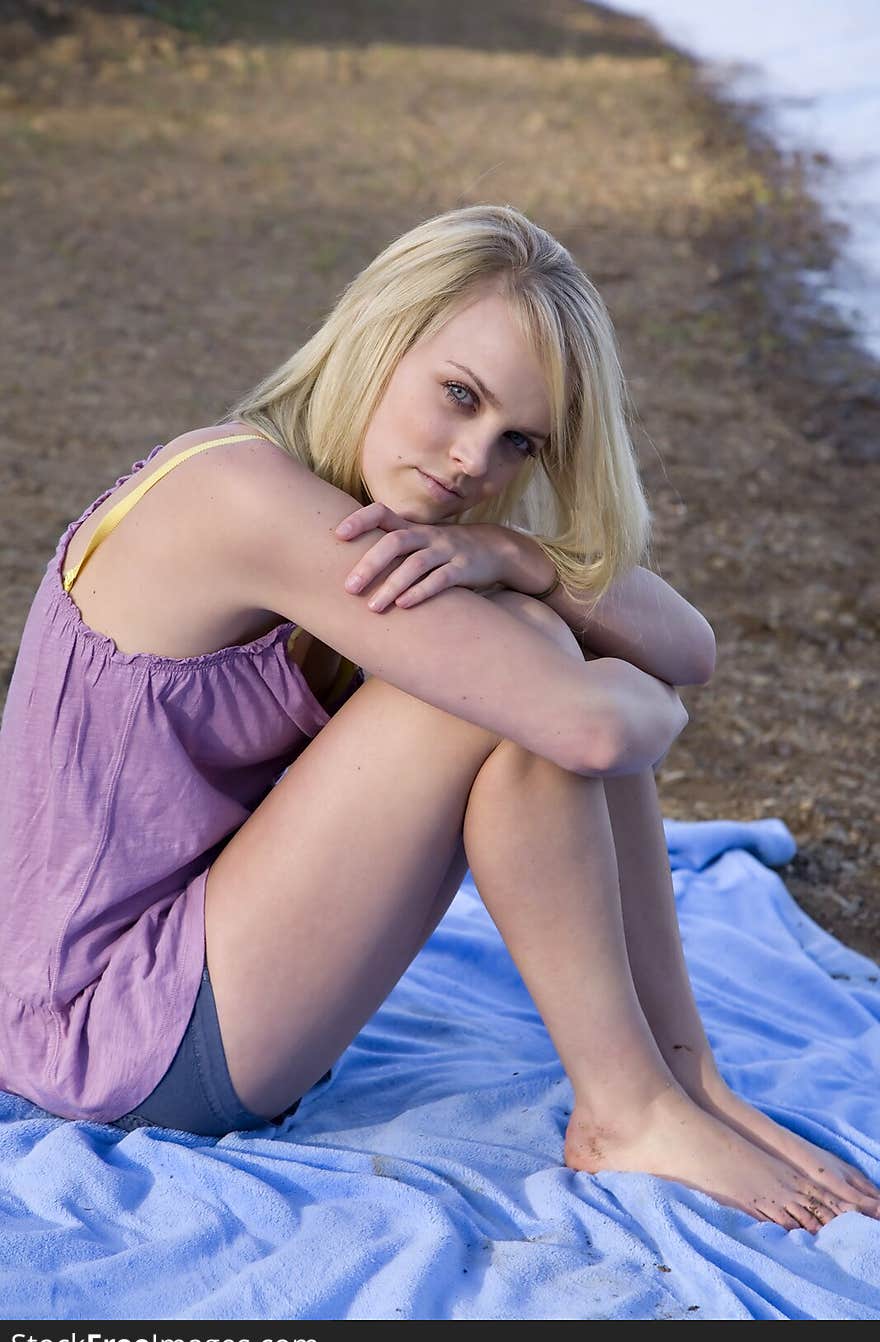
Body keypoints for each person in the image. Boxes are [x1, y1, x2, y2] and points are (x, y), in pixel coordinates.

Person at [1, 204, 876, 1234]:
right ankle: (626, 1106)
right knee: (540, 682)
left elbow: (688, 643)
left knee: (539, 657)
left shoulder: (360, 515)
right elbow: (608, 720)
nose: (472, 461)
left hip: (198, 986)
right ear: (379, 333)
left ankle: (685, 1082)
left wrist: (521, 556)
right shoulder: (240, 497)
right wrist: (643, 698)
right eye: (457, 396)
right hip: (106, 1038)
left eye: (516, 441)